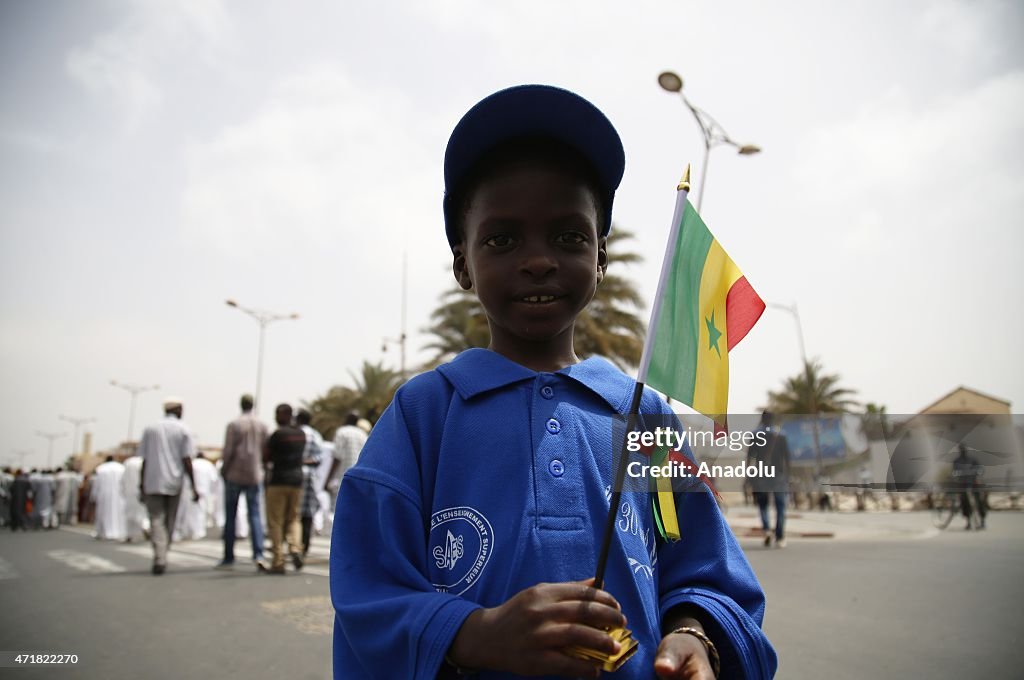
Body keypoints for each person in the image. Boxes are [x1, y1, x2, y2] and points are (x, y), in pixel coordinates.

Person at [329, 85, 776, 679]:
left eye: (568, 237)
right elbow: (367, 590)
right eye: (502, 239)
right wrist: (474, 633)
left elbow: (705, 572)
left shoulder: (645, 417)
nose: (537, 259)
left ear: (601, 258)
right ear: (463, 261)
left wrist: (696, 635)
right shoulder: (424, 415)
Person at [137, 397, 200, 575]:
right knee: (167, 520)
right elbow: (187, 459)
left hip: (153, 480)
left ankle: (160, 554)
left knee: (157, 520)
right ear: (177, 410)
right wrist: (194, 485)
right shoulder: (183, 429)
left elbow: (145, 460)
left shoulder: (151, 429)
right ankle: (161, 556)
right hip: (174, 481)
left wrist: (141, 484)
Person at [218, 394, 268, 570]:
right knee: (254, 514)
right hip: (254, 473)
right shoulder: (261, 425)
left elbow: (228, 450)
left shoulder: (234, 424)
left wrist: (224, 470)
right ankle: (258, 553)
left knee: (231, 515)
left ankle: (228, 556)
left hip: (235, 473)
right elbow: (265, 450)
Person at [262, 403, 306, 574]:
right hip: (296, 480)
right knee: (294, 518)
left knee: (275, 521)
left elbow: (265, 457)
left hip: (278, 480)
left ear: (285, 415)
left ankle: (278, 561)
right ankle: (295, 548)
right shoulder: (301, 434)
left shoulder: (278, 435)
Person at [746, 412, 791, 548]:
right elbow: (787, 458)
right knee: (780, 506)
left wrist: (749, 476)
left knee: (763, 505)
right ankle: (780, 536)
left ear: (762, 419)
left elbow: (750, 458)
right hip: (778, 475)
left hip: (761, 475)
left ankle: (766, 530)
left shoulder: (755, 435)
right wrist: (787, 475)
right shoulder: (781, 435)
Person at [295, 409, 323, 557]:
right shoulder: (315, 436)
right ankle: (304, 547)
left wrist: (298, 461)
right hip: (310, 477)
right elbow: (319, 458)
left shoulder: (294, 433)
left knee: (294, 514)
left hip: (294, 475)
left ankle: (294, 545)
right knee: (308, 513)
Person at [325, 412, 367, 507]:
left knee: (336, 509)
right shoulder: (363, 434)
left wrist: (328, 479)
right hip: (359, 479)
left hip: (342, 478)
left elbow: (337, 457)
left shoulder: (342, 432)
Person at [952, 444, 987, 530]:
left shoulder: (972, 459)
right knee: (965, 503)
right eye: (961, 449)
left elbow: (979, 468)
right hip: (963, 484)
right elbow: (954, 471)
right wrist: (956, 475)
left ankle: (982, 520)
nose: (963, 451)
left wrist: (979, 471)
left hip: (973, 483)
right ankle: (968, 521)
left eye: (964, 449)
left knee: (978, 501)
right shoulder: (957, 461)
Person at [91, 456, 126, 540]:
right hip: (119, 495)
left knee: (104, 513)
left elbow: (96, 484)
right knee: (118, 514)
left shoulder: (101, 469)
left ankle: (104, 532)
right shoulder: (121, 468)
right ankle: (119, 532)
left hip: (104, 495)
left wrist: (94, 496)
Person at [121, 455, 149, 542]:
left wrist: (123, 491)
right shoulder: (144, 461)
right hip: (142, 492)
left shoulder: (128, 462)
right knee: (142, 513)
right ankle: (146, 527)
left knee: (130, 514)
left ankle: (130, 535)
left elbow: (123, 479)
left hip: (129, 492)